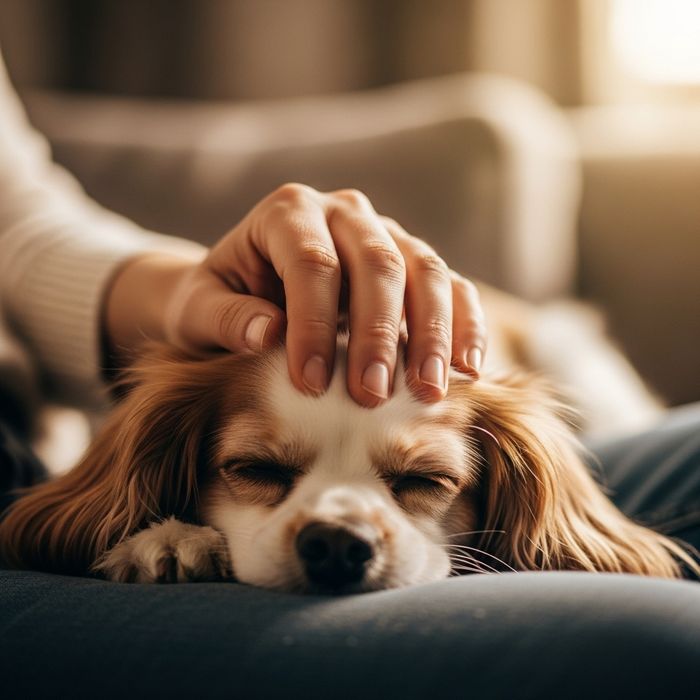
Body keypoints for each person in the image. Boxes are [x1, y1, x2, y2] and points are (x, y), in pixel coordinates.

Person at [0, 45, 698, 700]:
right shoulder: (165, 441)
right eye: (262, 471)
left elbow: (19, 233)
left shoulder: (513, 428)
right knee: (671, 642)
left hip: (541, 418)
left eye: (422, 480)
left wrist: (191, 295)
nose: (340, 528)